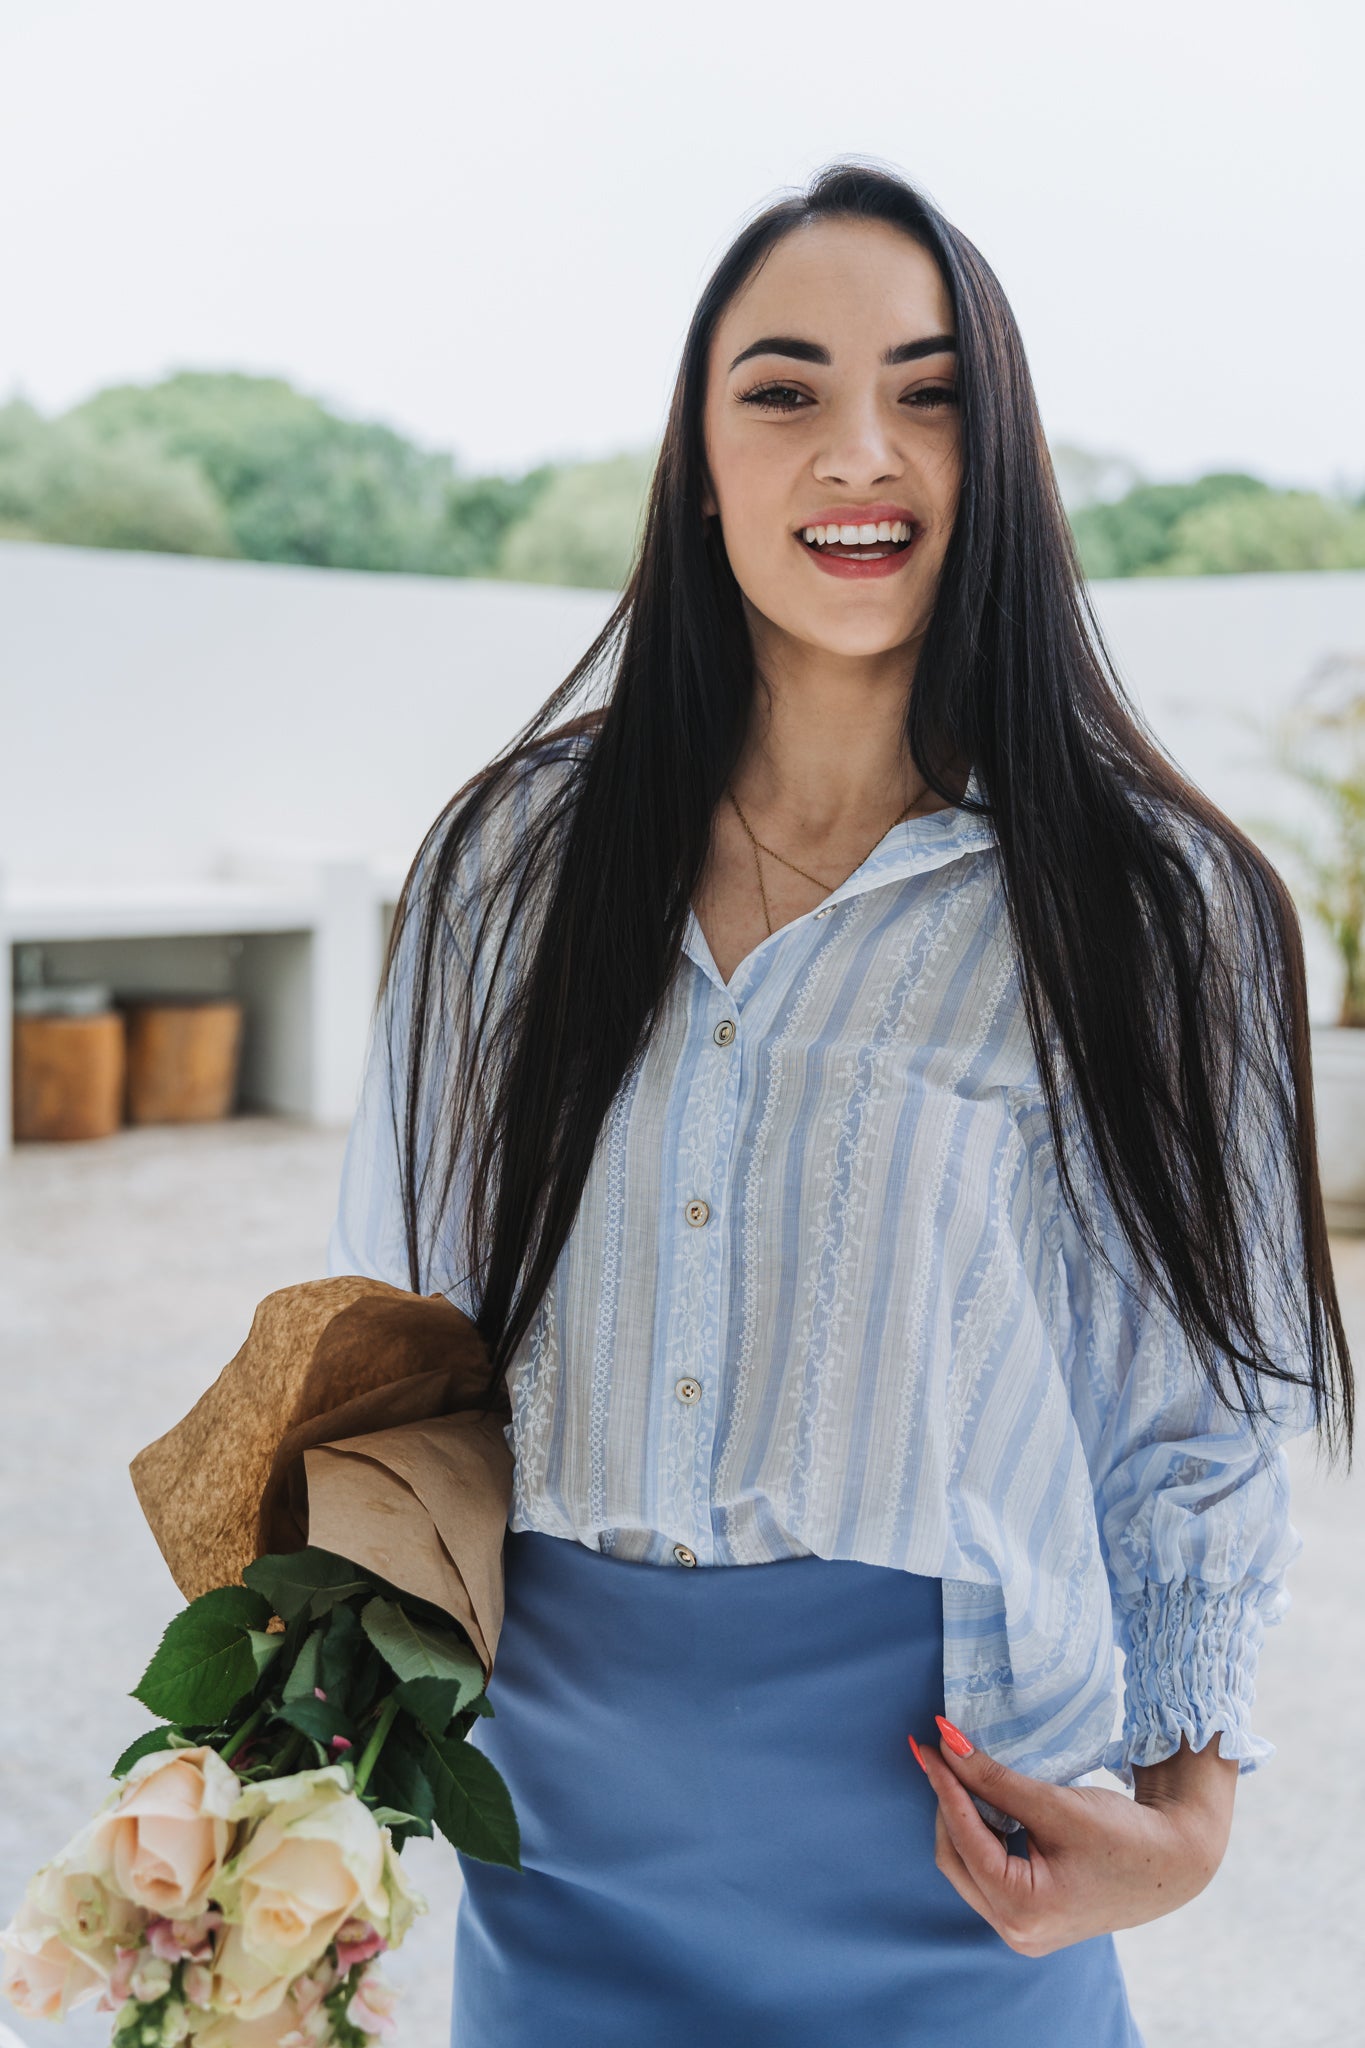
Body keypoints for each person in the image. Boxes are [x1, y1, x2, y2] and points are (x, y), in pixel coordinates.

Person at [327, 162, 1354, 2047]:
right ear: (697, 464)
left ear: (1006, 453)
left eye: (931, 390)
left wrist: (1185, 1830)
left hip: (961, 1834)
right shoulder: (507, 871)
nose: (859, 452)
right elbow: (390, 1355)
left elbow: (1189, 1424)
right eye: (784, 391)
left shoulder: (1152, 909)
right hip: (554, 1842)